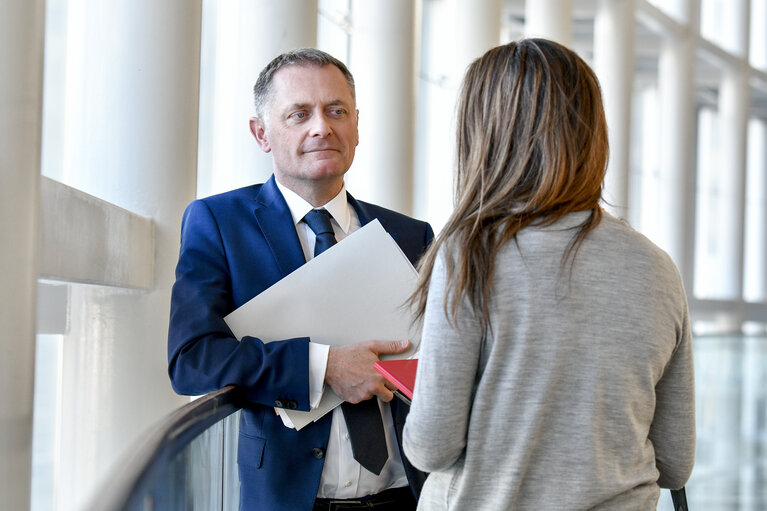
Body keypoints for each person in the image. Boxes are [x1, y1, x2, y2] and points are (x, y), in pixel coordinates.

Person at [402, 38, 695, 510]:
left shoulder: (472, 254)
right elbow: (676, 461)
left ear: (486, 137)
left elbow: (433, 445)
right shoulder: (657, 268)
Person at [168, 48, 433, 511]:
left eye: (336, 111)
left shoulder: (410, 235)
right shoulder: (219, 222)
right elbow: (192, 360)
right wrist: (324, 367)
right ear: (261, 134)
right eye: (299, 114)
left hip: (408, 496)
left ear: (356, 125)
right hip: (291, 499)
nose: (321, 127)